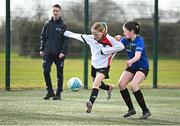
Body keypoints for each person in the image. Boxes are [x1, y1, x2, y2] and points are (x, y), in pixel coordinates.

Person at [64, 22, 125, 113]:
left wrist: (106, 51)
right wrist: (64, 32)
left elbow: (121, 46)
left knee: (95, 84)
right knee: (98, 84)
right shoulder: (91, 38)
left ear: (102, 32)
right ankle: (109, 88)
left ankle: (90, 103)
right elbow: (77, 35)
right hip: (94, 65)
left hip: (104, 67)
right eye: (93, 33)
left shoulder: (109, 39)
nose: (94, 36)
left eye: (96, 34)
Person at [115, 21, 151, 119]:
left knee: (134, 85)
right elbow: (115, 48)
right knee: (121, 84)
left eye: (125, 31)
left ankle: (145, 111)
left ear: (132, 31)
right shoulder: (125, 40)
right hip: (133, 66)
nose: (123, 33)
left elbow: (138, 56)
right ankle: (131, 109)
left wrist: (131, 61)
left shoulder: (139, 41)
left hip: (142, 67)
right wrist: (116, 41)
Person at [40, 4, 68, 100]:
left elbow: (65, 40)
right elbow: (43, 37)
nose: (55, 12)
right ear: (52, 12)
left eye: (57, 11)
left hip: (59, 55)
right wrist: (41, 49)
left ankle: (58, 93)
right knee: (46, 71)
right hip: (47, 53)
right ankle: (50, 91)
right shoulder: (47, 24)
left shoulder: (63, 25)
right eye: (54, 11)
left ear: (60, 12)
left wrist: (63, 52)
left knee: (59, 74)